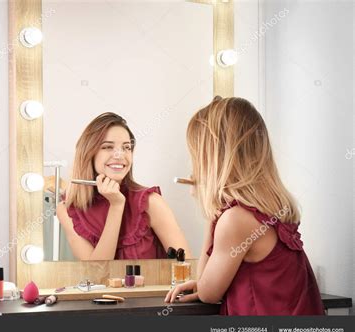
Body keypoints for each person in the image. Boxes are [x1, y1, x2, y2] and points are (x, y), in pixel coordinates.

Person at [165, 97, 324, 315]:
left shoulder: (235, 220)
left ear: (213, 162)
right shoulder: (269, 209)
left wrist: (212, 213)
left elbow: (208, 292)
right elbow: (206, 283)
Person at [57, 112, 191, 260]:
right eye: (108, 147)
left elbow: (186, 265)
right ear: (89, 153)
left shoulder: (151, 202)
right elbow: (97, 272)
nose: (120, 155)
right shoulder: (67, 209)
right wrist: (116, 206)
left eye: (126, 147)